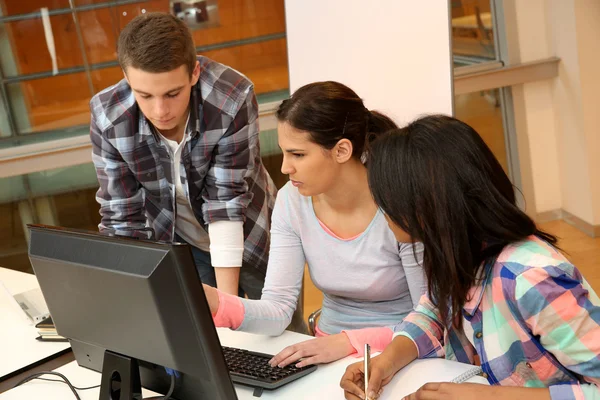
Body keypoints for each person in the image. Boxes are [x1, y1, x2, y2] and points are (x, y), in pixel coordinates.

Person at [340, 115, 600, 400]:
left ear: (425, 204)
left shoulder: (530, 279)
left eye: (386, 200)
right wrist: (386, 361)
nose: (381, 211)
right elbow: (434, 313)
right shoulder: (456, 251)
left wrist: (488, 397)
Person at [203, 81, 426, 368]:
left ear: (342, 150)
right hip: (325, 350)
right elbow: (278, 309)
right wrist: (216, 303)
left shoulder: (401, 205)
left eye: (298, 154)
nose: (285, 168)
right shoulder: (290, 201)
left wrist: (347, 342)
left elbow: (430, 322)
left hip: (402, 354)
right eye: (284, 152)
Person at [89, 12, 276, 298]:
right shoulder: (108, 117)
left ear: (194, 73)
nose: (160, 111)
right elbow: (122, 219)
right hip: (182, 241)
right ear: (126, 78)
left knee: (283, 331)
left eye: (173, 93)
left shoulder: (231, 97)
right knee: (209, 334)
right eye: (145, 96)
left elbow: (225, 200)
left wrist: (229, 305)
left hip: (253, 234)